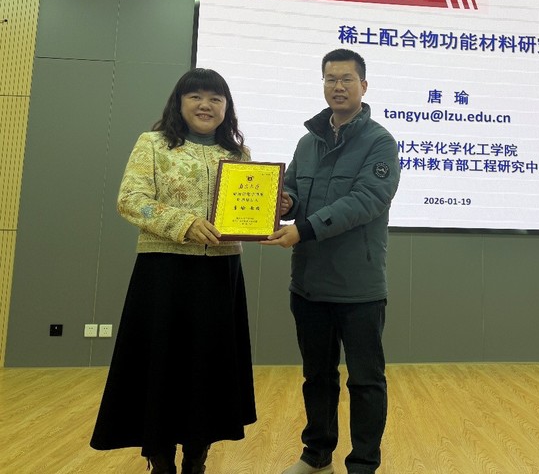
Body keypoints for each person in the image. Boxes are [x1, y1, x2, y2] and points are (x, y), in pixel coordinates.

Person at [90, 68, 257, 474]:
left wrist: (272, 208)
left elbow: (248, 207)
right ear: (179, 103)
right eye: (195, 97)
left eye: (215, 98)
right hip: (164, 273)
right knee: (161, 366)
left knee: (208, 369)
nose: (205, 105)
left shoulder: (238, 154)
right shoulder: (153, 144)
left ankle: (197, 455)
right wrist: (183, 223)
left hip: (220, 274)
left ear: (227, 107)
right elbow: (130, 199)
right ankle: (159, 456)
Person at [261, 49, 400, 474]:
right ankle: (317, 455)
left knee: (366, 381)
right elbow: (291, 188)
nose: (338, 86)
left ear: (363, 85)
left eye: (346, 79)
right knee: (317, 377)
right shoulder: (308, 142)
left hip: (358, 288)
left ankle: (362, 464)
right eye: (330, 79)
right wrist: (284, 202)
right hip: (309, 284)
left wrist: (304, 228)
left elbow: (366, 200)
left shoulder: (380, 142)